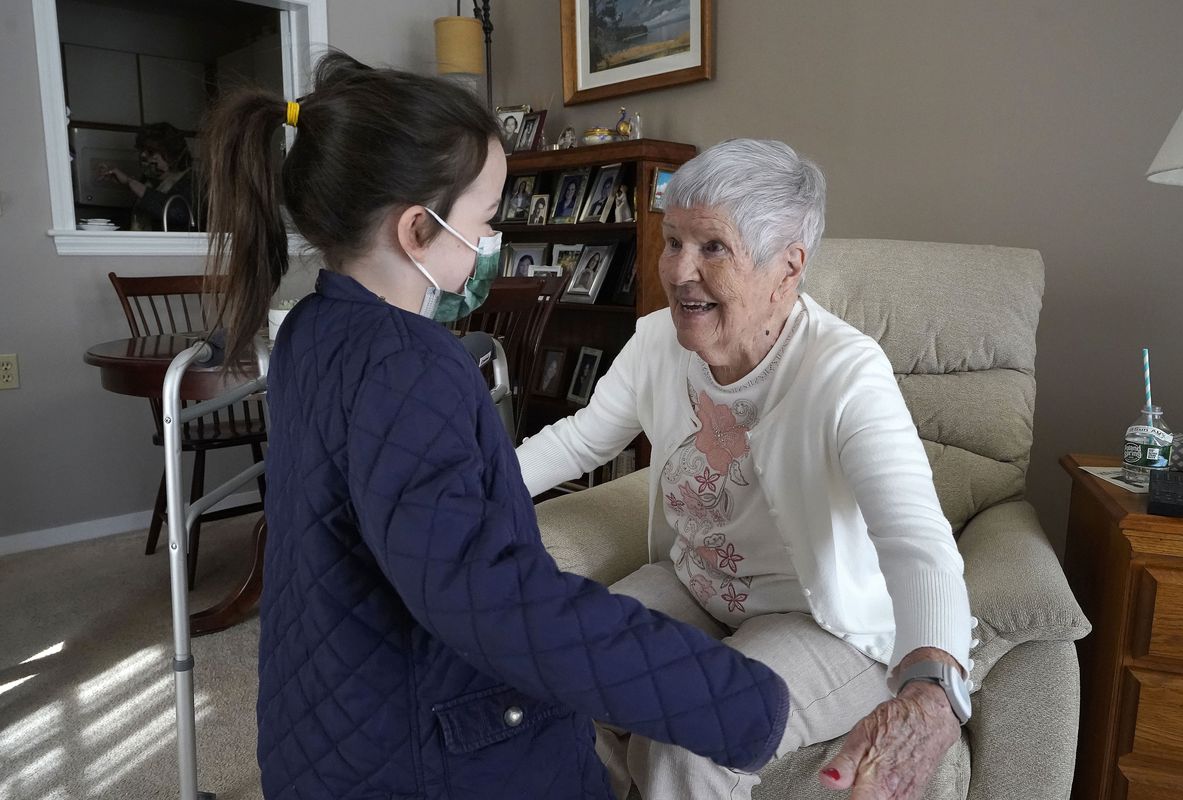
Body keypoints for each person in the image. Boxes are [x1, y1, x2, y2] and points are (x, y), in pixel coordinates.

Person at [201, 54, 790, 800]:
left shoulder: (311, 332)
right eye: (485, 220)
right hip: (427, 754)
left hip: (325, 723)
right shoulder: (412, 365)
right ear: (419, 228)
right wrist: (736, 698)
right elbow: (493, 599)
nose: (493, 239)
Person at [516, 138, 972, 800]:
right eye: (673, 240)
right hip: (695, 584)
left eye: (712, 248)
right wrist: (455, 495)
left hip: (821, 620)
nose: (677, 271)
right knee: (562, 677)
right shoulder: (655, 345)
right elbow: (578, 441)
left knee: (690, 741)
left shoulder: (845, 373)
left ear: (788, 267)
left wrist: (933, 688)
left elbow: (914, 536)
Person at [101, 122, 201, 231]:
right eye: (142, 150)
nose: (144, 155)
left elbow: (177, 213)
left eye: (151, 152)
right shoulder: (150, 180)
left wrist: (130, 182)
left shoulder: (190, 181)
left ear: (169, 153)